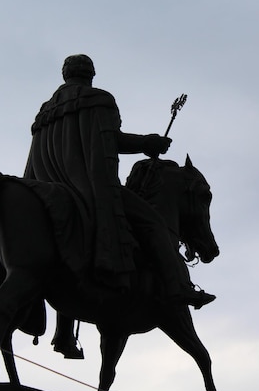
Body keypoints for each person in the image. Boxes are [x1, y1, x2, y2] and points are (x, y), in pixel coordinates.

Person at [24, 54, 215, 358]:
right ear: (91, 74)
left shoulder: (44, 112)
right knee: (152, 221)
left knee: (68, 246)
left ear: (65, 75)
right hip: (92, 186)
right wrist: (147, 144)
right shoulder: (98, 99)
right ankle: (179, 288)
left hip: (48, 186)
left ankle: (63, 333)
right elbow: (109, 140)